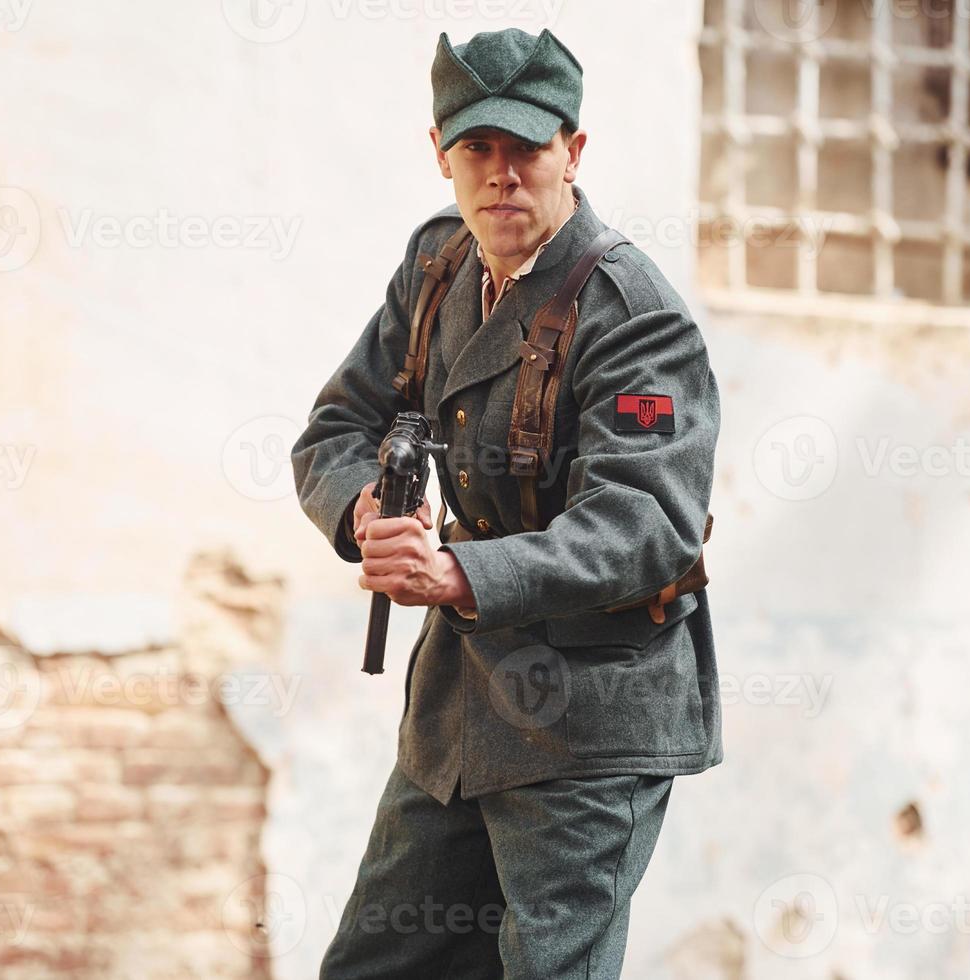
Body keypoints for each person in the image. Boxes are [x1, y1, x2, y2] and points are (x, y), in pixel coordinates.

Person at [291, 25, 722, 979]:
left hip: (592, 717)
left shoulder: (632, 314)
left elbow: (646, 525)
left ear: (572, 152)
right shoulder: (438, 268)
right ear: (439, 153)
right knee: (373, 965)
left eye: (526, 148)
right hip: (462, 705)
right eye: (476, 148)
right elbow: (335, 429)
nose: (502, 176)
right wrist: (367, 510)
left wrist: (455, 569)